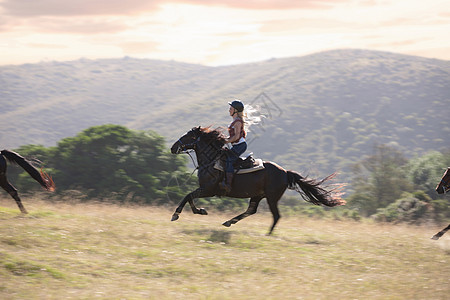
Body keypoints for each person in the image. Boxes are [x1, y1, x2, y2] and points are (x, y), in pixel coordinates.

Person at [219, 100, 248, 193]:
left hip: (240, 146)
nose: (229, 110)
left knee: (229, 160)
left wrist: (226, 140)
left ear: (235, 110)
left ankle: (228, 184)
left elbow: (236, 137)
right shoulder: (235, 121)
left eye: (230, 109)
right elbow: (233, 137)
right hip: (237, 145)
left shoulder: (238, 122)